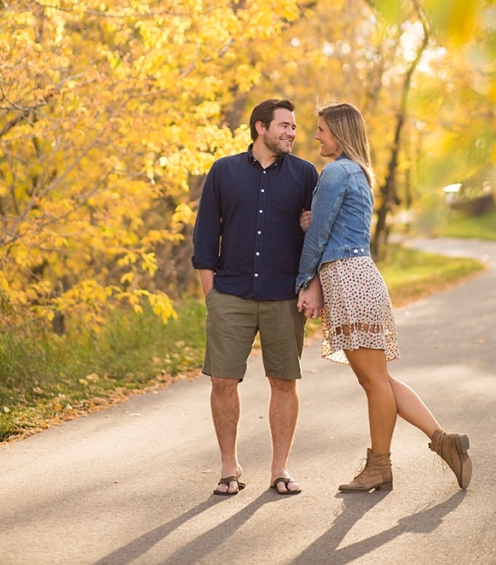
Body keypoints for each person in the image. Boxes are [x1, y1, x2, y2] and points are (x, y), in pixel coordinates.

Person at [296, 101, 472, 493]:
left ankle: (380, 466)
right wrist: (312, 222)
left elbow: (319, 236)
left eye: (321, 129)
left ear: (338, 132)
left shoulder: (335, 171)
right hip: (362, 277)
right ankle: (443, 442)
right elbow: (331, 225)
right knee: (378, 379)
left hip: (347, 280)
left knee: (374, 381)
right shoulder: (357, 172)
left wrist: (303, 281)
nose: (316, 136)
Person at [193, 98, 318, 497]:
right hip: (231, 294)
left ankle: (279, 469)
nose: (292, 133)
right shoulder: (224, 171)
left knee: (284, 381)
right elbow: (205, 235)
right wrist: (212, 294)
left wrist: (310, 281)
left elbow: (316, 236)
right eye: (284, 126)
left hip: (284, 295)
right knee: (224, 381)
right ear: (260, 127)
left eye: (295, 127)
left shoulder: (305, 174)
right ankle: (229, 467)